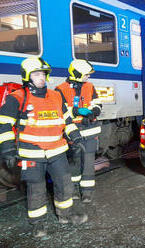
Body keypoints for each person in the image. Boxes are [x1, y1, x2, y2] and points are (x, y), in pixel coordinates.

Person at [0, 57, 88, 237]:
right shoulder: (17, 98)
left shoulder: (56, 96)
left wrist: (76, 138)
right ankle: (38, 224)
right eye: (37, 74)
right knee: (36, 188)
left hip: (57, 152)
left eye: (43, 74)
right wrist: (8, 149)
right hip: (31, 154)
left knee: (65, 184)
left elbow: (67, 121)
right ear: (27, 76)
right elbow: (4, 124)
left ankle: (66, 215)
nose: (41, 78)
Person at [56, 59, 101, 203]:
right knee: (73, 163)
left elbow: (97, 104)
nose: (88, 77)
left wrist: (93, 112)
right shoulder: (60, 89)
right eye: (86, 74)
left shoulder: (90, 86)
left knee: (88, 163)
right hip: (72, 132)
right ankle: (73, 189)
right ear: (77, 74)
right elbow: (61, 111)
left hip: (89, 131)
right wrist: (76, 111)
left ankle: (87, 192)